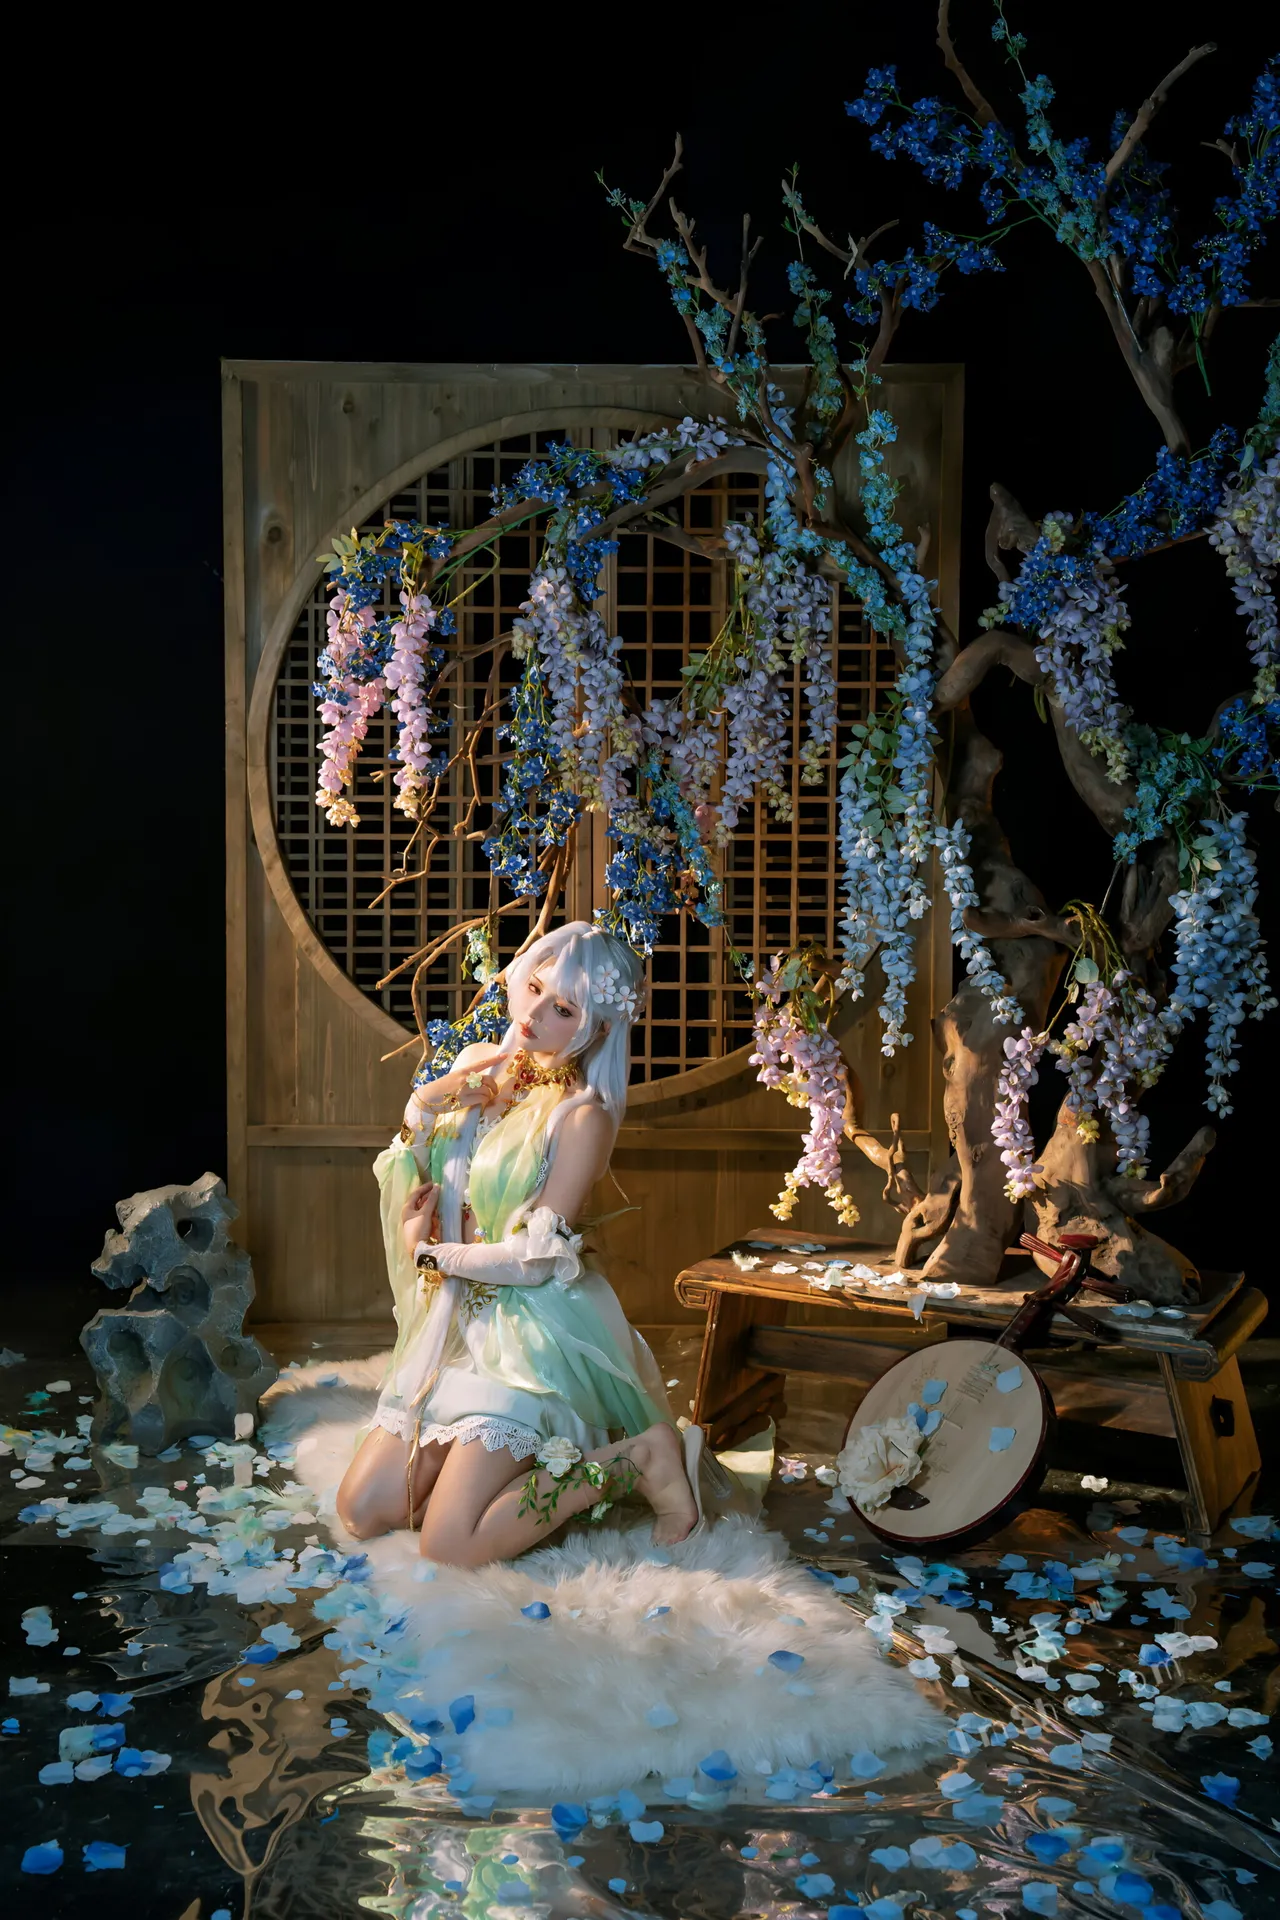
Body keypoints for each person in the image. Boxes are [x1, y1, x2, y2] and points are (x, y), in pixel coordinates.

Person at [335, 922, 704, 1565]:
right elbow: (417, 1179)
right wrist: (425, 1104)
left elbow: (537, 1261)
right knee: (360, 1510)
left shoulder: (583, 1116)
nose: (533, 1014)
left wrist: (431, 1255)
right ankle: (480, 1466)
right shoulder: (476, 1064)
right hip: (453, 1324)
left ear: (600, 1027)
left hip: (528, 1336)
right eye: (534, 989)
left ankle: (637, 1459)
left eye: (563, 1009)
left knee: (448, 1544)